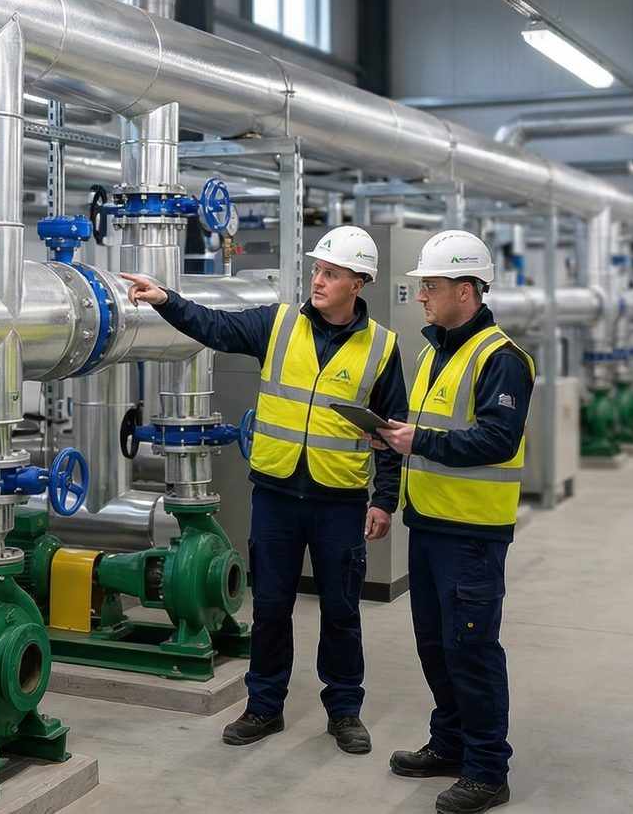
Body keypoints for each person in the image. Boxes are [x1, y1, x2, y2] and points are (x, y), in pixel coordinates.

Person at [121, 225, 407, 757]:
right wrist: (167, 299)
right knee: (271, 606)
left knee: (342, 611)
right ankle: (264, 707)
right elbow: (214, 326)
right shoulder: (276, 324)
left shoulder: (383, 348)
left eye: (332, 274)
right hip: (276, 495)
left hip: (339, 502)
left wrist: (384, 500)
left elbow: (392, 429)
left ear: (358, 283)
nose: (318, 281)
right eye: (317, 270)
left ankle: (344, 711)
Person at [369, 230, 534, 814]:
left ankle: (488, 770)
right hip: (431, 525)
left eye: (431, 287)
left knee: (472, 649)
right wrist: (393, 444)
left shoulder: (502, 360)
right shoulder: (433, 352)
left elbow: (496, 437)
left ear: (466, 290)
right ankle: (450, 745)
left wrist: (419, 440)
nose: (421, 296)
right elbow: (424, 433)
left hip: (472, 535)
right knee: (436, 646)